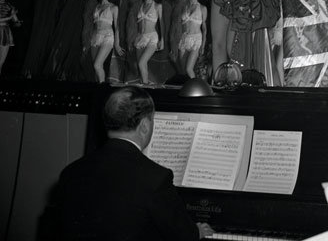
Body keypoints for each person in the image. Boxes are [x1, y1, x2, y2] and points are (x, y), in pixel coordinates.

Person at [53, 86, 213, 240]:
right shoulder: (156, 178)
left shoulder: (70, 172)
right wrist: (196, 231)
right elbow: (182, 234)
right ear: (144, 126)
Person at [90, 0, 124, 83]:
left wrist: (117, 44)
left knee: (97, 64)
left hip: (107, 37)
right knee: (95, 67)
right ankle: (98, 89)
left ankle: (102, 90)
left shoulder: (114, 8)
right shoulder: (96, 7)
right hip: (95, 37)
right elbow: (92, 25)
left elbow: (117, 27)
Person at [135, 0, 164, 84]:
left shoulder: (157, 6)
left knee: (142, 63)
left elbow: (161, 24)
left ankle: (145, 86)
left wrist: (162, 39)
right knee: (142, 66)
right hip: (140, 38)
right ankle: (145, 87)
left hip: (152, 38)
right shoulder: (139, 6)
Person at [178, 0, 207, 79]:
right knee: (183, 70)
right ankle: (187, 90)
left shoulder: (202, 8)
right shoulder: (183, 7)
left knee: (188, 69)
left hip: (196, 40)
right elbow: (178, 25)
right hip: (184, 39)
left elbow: (204, 28)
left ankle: (196, 90)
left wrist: (203, 45)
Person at [0, 0, 20, 76]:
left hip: (5, 33)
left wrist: (16, 22)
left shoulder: (9, 6)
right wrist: (9, 17)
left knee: (1, 62)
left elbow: (16, 22)